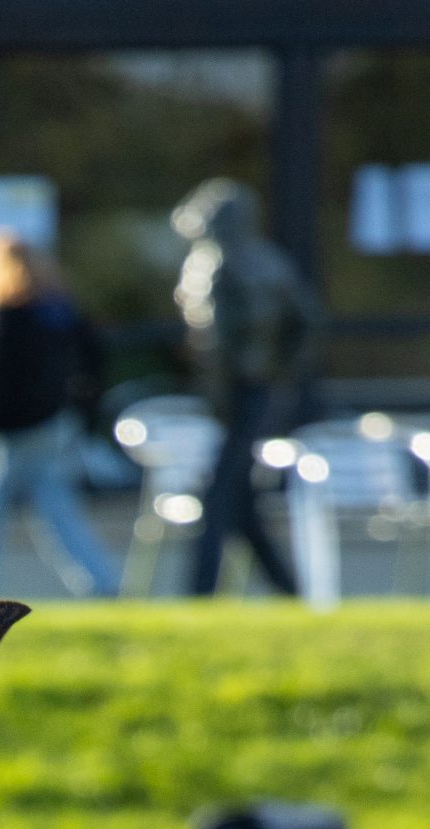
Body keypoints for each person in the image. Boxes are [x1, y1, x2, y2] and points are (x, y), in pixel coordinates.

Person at [0, 229, 117, 602]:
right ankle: (102, 581)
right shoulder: (59, 310)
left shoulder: (8, 314)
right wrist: (82, 413)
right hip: (54, 423)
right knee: (56, 504)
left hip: (13, 430)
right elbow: (95, 363)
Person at [173, 178, 315, 598]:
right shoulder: (272, 261)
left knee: (219, 497)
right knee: (238, 498)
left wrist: (218, 396)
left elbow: (213, 340)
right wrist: (282, 373)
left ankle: (199, 593)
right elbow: (306, 324)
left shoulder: (213, 263)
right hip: (262, 390)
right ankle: (288, 590)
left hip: (238, 393)